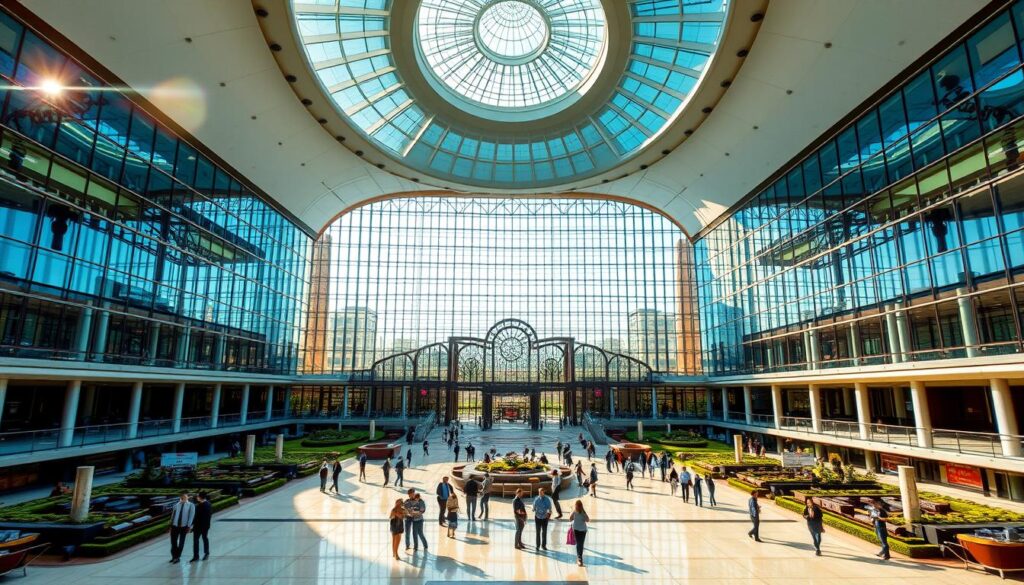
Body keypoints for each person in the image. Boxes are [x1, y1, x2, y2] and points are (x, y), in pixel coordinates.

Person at [168, 492, 195, 564]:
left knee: (181, 543)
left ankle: (177, 557)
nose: (184, 498)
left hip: (184, 527)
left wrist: (189, 526)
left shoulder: (191, 505)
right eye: (182, 496)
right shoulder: (176, 505)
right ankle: (174, 556)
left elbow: (191, 517)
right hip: (175, 526)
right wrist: (171, 526)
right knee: (173, 542)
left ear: (187, 497)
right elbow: (173, 516)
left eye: (185, 496)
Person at [190, 492, 212, 562]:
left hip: (203, 526)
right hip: (197, 527)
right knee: (196, 541)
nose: (197, 497)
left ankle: (206, 553)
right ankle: (196, 556)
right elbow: (196, 517)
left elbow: (206, 517)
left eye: (197, 496)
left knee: (204, 538)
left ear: (200, 497)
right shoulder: (200, 505)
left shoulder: (206, 505)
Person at [568, 500, 590, 567]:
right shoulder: (583, 512)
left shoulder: (575, 512)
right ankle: (579, 558)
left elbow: (570, 519)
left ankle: (579, 558)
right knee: (580, 544)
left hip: (577, 530)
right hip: (582, 530)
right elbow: (588, 520)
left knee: (579, 544)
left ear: (576, 505)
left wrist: (571, 512)